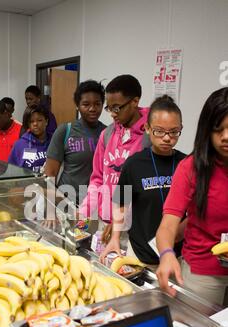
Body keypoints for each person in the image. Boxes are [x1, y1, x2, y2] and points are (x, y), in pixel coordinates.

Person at [156, 87, 228, 305]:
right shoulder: (191, 168)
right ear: (207, 130)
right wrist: (167, 253)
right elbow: (168, 226)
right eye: (218, 129)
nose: (226, 137)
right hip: (202, 274)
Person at [100, 95, 186, 268]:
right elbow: (121, 202)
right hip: (139, 254)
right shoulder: (134, 164)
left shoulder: (186, 164)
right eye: (159, 131)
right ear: (147, 128)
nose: (167, 138)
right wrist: (115, 237)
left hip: (176, 255)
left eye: (174, 131)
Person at [79, 75, 149, 236]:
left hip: (134, 226)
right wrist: (84, 212)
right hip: (106, 221)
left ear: (134, 101)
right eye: (109, 108)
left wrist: (120, 220)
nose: (112, 114)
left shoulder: (149, 137)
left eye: (117, 107)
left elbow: (146, 188)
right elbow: (97, 179)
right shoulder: (107, 134)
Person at [44, 79, 106, 205]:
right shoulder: (65, 131)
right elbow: (50, 173)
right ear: (77, 106)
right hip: (66, 202)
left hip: (94, 205)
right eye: (86, 104)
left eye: (97, 104)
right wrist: (50, 208)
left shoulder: (108, 133)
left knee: (87, 225)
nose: (92, 109)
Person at [8, 105, 51, 172]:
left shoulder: (54, 141)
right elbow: (12, 170)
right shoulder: (20, 145)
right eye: (31, 121)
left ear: (46, 121)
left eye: (39, 120)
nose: (35, 124)